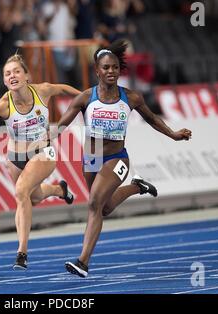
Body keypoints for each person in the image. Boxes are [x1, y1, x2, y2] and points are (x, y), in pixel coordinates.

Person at [57, 40, 192, 278]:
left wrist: (173, 134)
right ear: (97, 71)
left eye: (115, 68)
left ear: (120, 71)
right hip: (92, 157)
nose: (111, 72)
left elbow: (152, 119)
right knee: (104, 208)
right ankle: (137, 187)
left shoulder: (131, 97)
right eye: (106, 68)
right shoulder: (85, 98)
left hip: (117, 158)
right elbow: (61, 124)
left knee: (93, 205)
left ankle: (83, 262)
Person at [0, 54, 81, 270]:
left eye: (17, 71)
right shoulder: (2, 104)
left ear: (26, 76)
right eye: (7, 74)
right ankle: (59, 190)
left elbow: (63, 89)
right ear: (4, 81)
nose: (12, 76)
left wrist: (86, 98)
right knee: (33, 197)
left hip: (42, 152)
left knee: (20, 192)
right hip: (15, 158)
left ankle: (22, 253)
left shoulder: (42, 90)